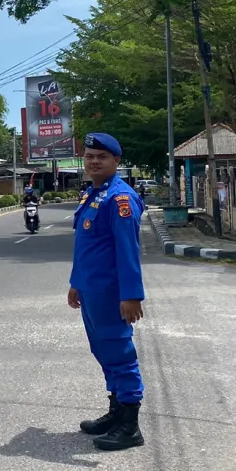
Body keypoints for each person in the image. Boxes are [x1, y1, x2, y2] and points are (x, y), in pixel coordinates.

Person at [69, 132, 147, 451]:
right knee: (103, 351)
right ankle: (116, 413)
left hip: (112, 294)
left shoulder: (119, 199)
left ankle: (130, 426)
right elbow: (86, 247)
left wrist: (131, 296)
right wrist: (76, 283)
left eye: (102, 157)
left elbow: (128, 252)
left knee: (119, 353)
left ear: (116, 161)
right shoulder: (94, 194)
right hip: (91, 292)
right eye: (89, 156)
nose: (94, 162)